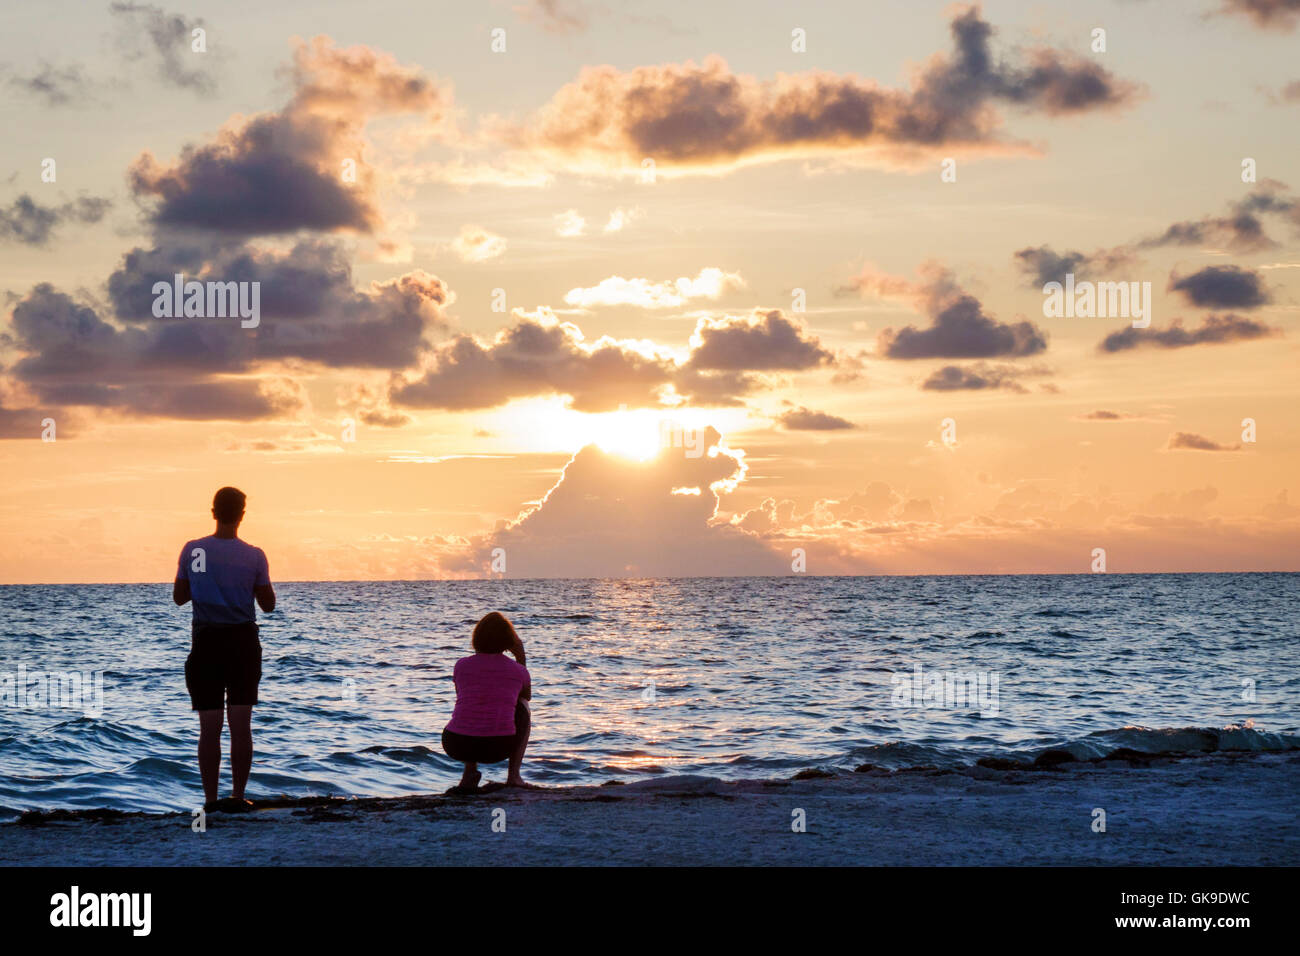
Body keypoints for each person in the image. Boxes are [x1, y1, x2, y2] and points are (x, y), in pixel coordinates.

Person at [173, 486, 276, 811]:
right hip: (243, 642)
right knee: (241, 723)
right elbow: (268, 604)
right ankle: (237, 796)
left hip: (206, 641)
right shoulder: (254, 554)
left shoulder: (195, 550)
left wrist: (208, 584)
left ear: (214, 512)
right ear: (242, 515)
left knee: (210, 726)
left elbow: (179, 596)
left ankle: (210, 800)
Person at [442, 612, 535, 792]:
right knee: (523, 704)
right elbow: (526, 695)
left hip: (455, 744)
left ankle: (469, 772)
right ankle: (513, 776)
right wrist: (521, 657)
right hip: (498, 747)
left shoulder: (461, 665)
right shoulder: (517, 670)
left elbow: (461, 694)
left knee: (472, 705)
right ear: (508, 641)